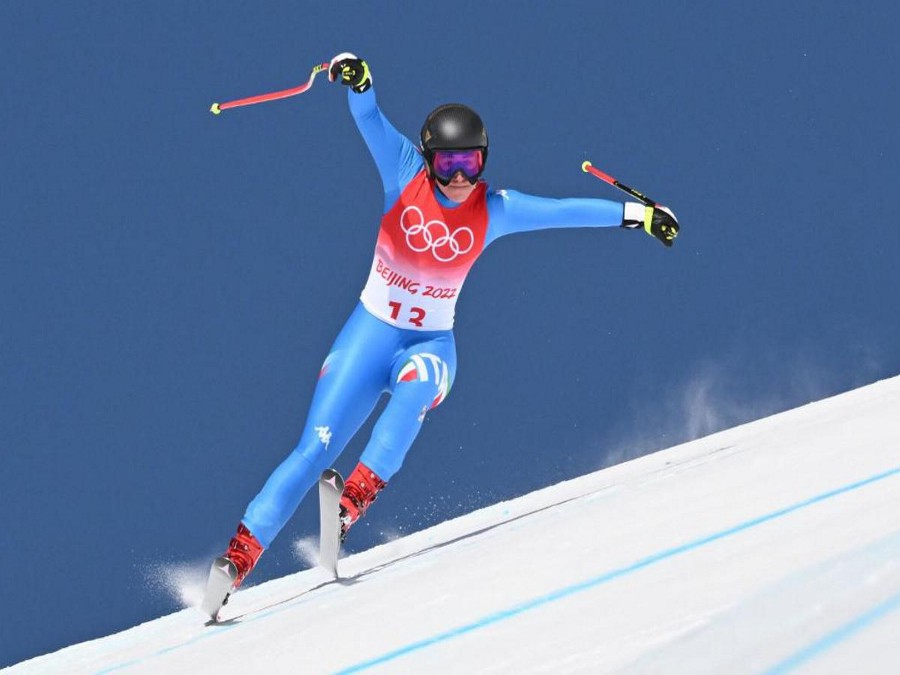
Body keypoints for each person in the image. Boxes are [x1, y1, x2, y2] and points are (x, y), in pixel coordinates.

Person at [215, 53, 679, 590]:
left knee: (413, 395)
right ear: (428, 159)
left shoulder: (495, 209)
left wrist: (640, 215)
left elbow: (562, 210)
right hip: (368, 337)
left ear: (484, 162)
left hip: (430, 346)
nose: (459, 178)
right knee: (312, 449)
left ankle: (350, 506)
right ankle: (239, 558)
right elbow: (369, 117)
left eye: (471, 165)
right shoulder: (404, 172)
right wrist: (360, 82)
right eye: (448, 164)